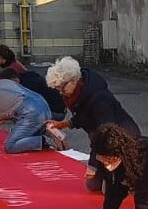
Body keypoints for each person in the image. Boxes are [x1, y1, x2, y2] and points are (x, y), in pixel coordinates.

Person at [46, 56, 141, 192]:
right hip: (102, 140)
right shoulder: (79, 93)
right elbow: (84, 116)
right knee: (92, 184)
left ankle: (131, 177)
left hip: (121, 140)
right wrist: (65, 124)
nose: (61, 92)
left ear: (74, 80)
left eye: (62, 88)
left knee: (108, 188)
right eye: (57, 89)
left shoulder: (99, 99)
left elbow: (108, 133)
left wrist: (97, 161)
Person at [0, 63, 54, 154]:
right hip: (44, 106)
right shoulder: (6, 82)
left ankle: (42, 141)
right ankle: (42, 129)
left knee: (10, 146)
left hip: (31, 114)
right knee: (16, 119)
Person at [0, 67, 65, 121]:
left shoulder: (28, 86)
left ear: (15, 80)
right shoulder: (25, 77)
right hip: (57, 108)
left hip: (56, 112)